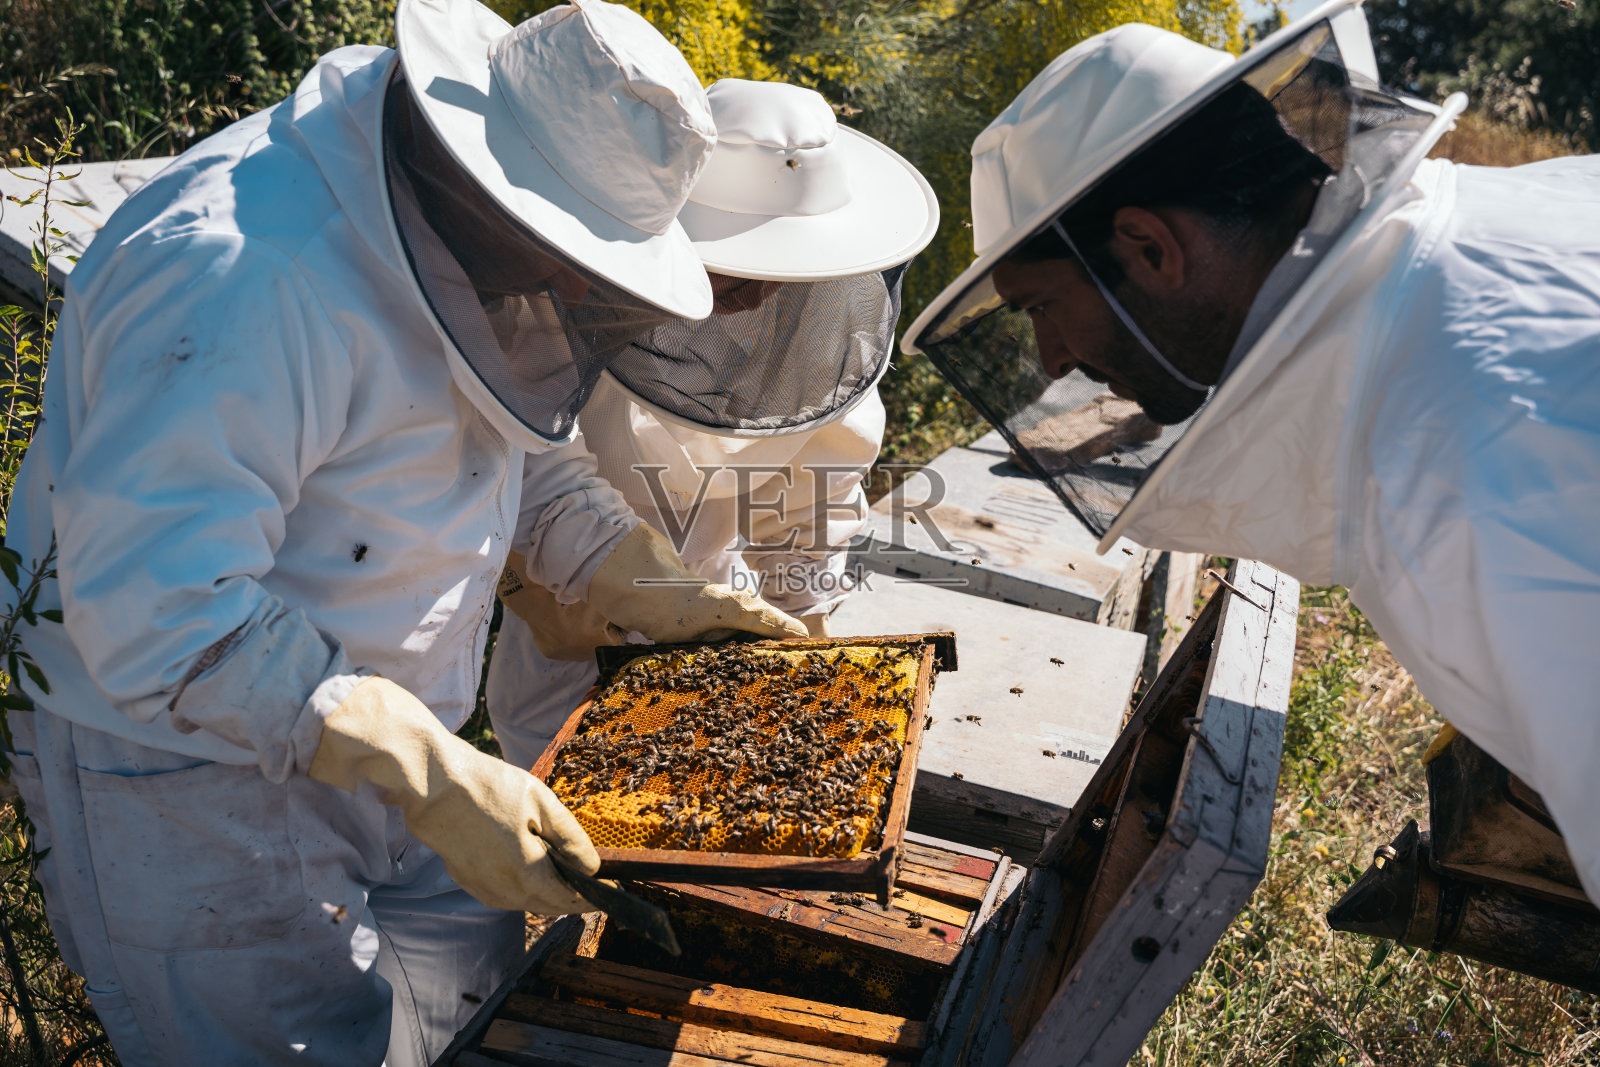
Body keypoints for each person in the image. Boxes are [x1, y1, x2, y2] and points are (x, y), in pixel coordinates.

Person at [0, 0, 808, 1061]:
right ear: (481, 171)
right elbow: (162, 611)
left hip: (394, 733)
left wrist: (644, 580)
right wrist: (431, 771)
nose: (571, 281)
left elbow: (512, 446)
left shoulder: (474, 241)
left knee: (464, 1016)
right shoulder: (243, 272)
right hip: (189, 772)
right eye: (567, 246)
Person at [903, 0, 1600, 903]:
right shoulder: (1521, 220)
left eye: (1041, 308)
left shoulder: (1457, 482)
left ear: (1150, 247)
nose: (1050, 362)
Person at [487, 77, 938, 771]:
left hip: (720, 623)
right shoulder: (574, 303)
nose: (758, 294)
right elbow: (533, 470)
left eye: (779, 270)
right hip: (564, 631)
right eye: (738, 267)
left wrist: (806, 631)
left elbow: (812, 504)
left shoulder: (827, 346)